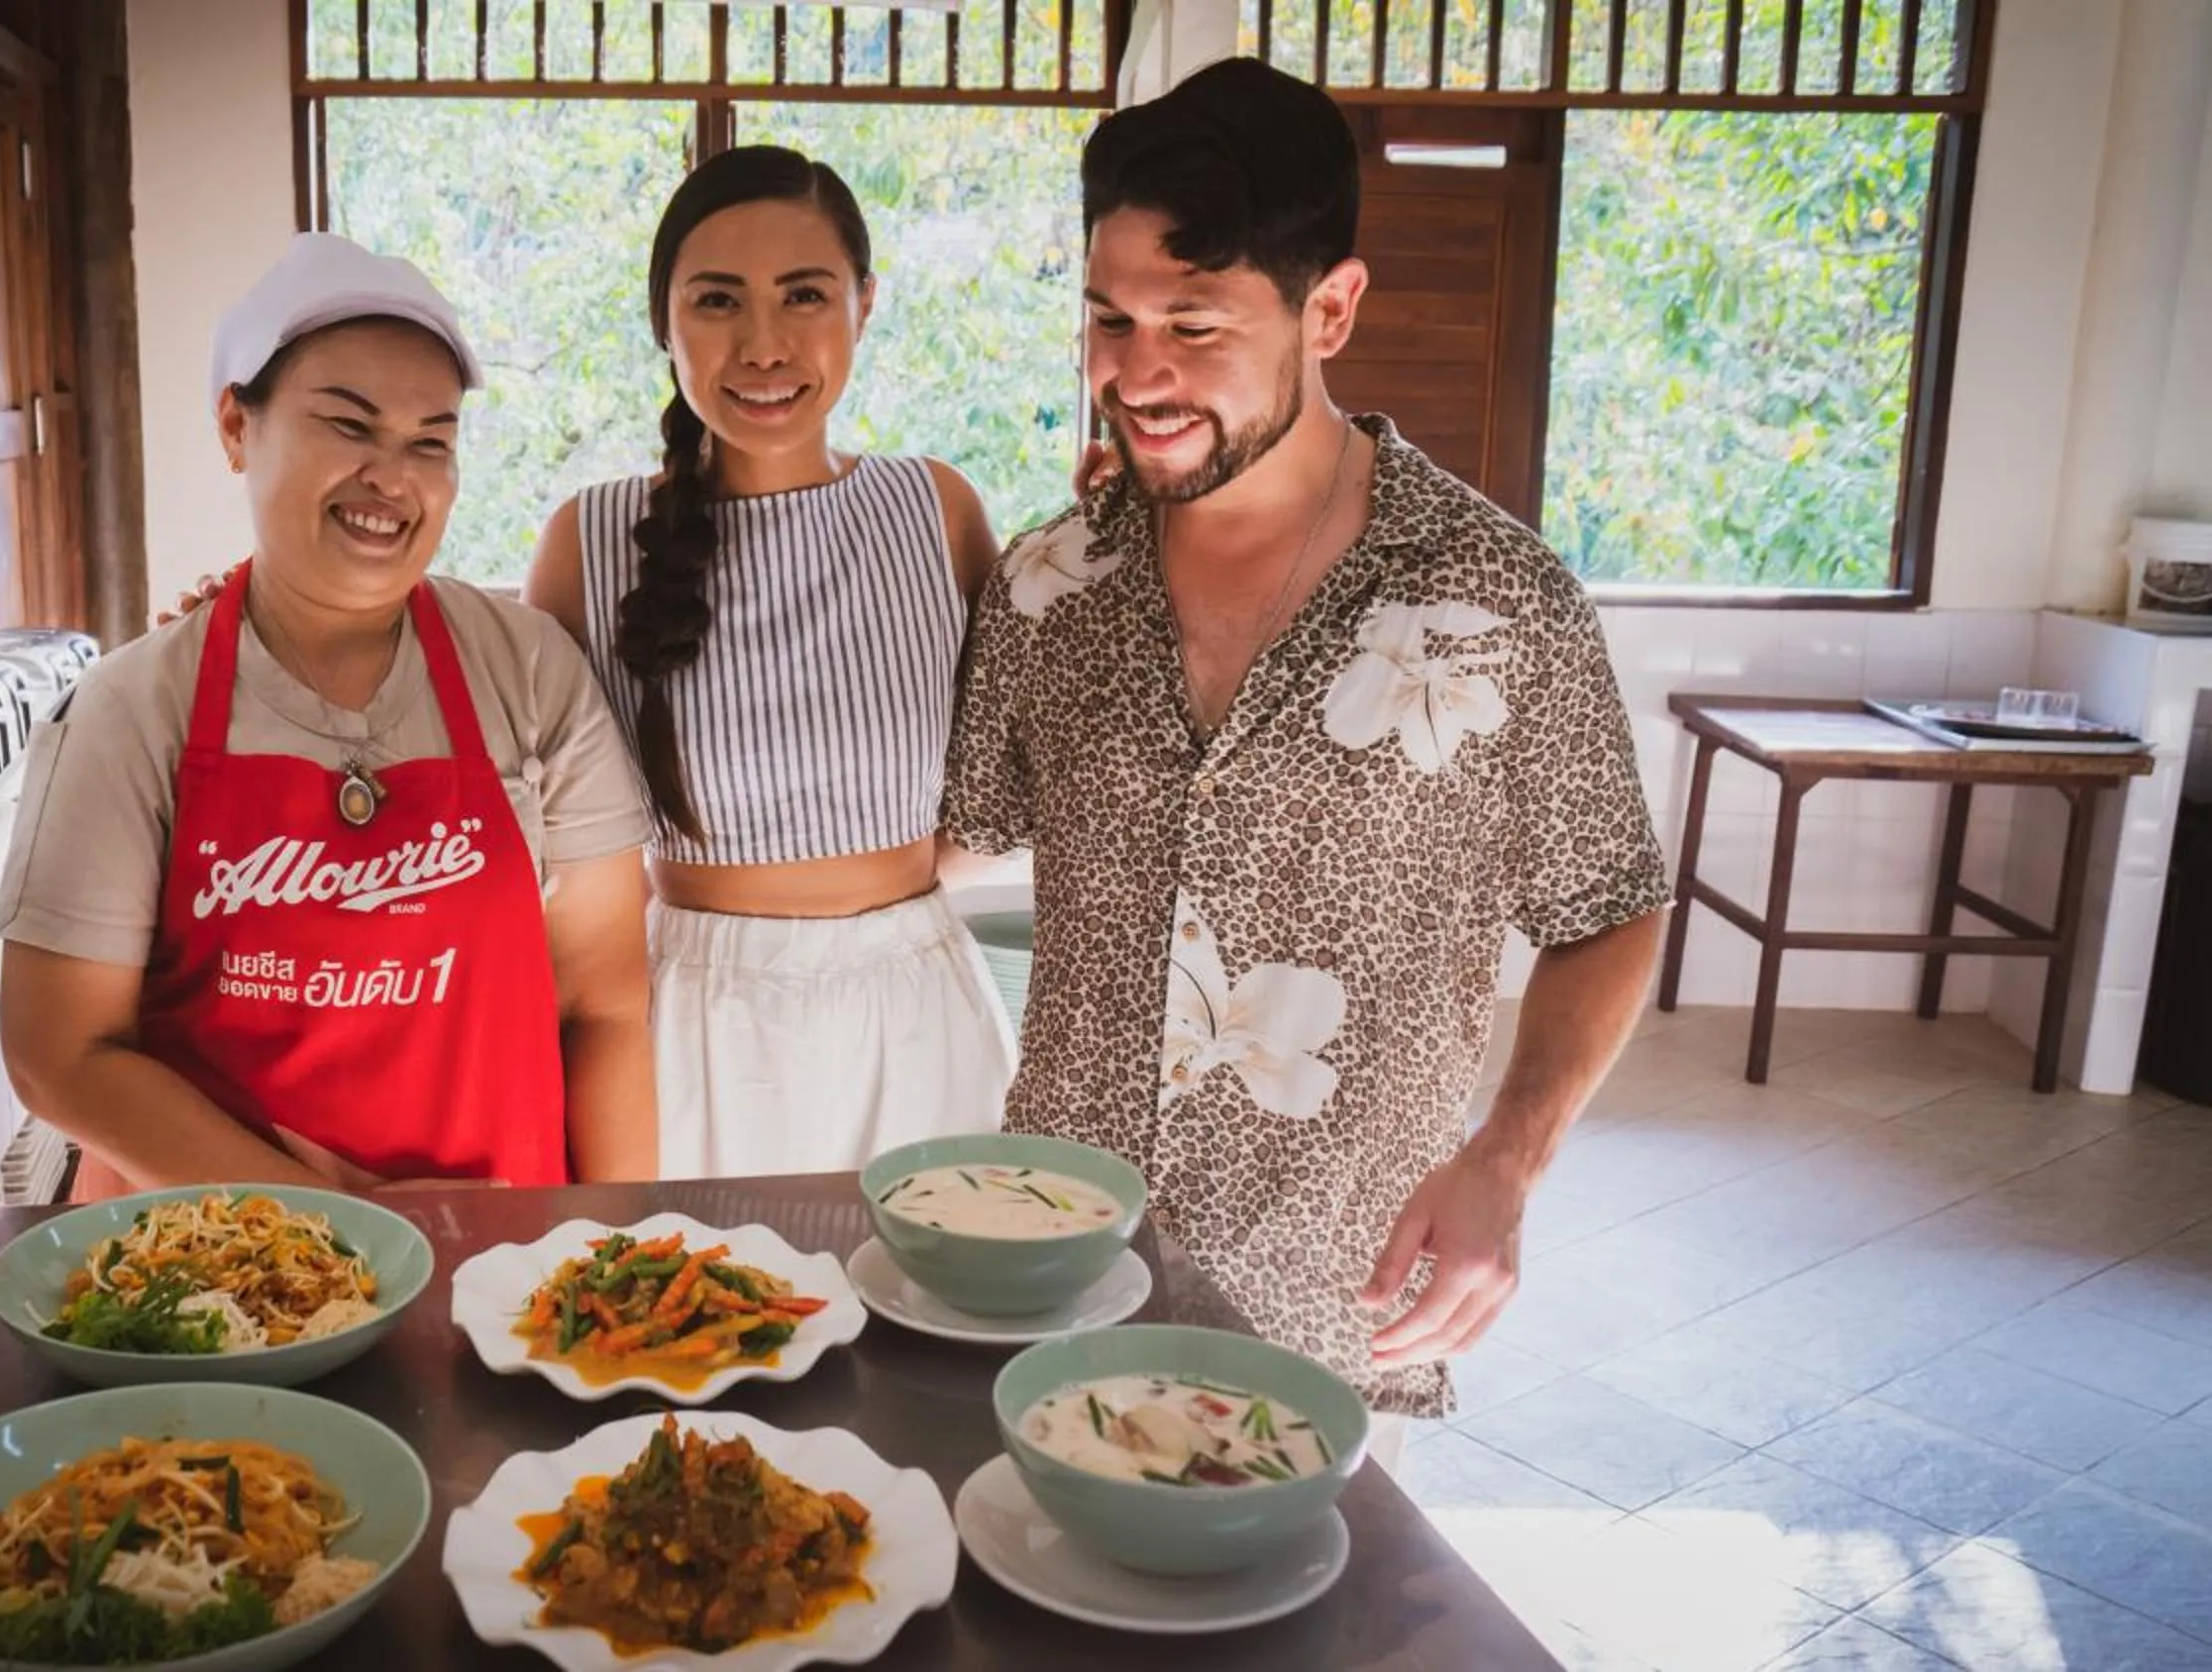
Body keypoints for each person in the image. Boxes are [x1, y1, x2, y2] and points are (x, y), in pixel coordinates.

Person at [943, 58, 1670, 1453]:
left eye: (1195, 327)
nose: (1134, 375)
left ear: (1329, 308)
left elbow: (1610, 910)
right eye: (1110, 318)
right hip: (1056, 1273)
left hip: (1331, 1309)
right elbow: (952, 838)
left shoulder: (1497, 603)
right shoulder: (1045, 584)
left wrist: (1507, 1164)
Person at [0, 232, 659, 1201]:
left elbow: (603, 1004)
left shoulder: (529, 671)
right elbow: (61, 1052)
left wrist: (617, 1248)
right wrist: (339, 1232)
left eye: (430, 441)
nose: (392, 477)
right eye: (349, 426)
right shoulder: (133, 709)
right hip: (214, 1278)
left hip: (501, 1264)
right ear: (236, 425)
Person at [525, 147, 1015, 1179]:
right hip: (694, 1022)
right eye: (717, 301)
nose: (763, 343)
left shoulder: (936, 509)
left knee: (941, 1327)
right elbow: (517, 788)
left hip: (918, 1011)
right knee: (703, 1332)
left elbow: (1008, 768)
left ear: (864, 305)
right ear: (664, 321)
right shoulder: (592, 537)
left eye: (804, 295)